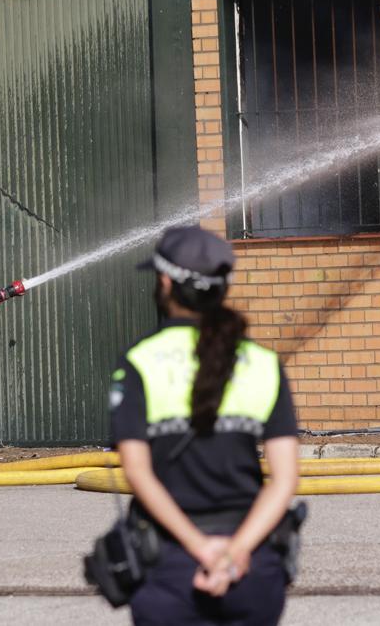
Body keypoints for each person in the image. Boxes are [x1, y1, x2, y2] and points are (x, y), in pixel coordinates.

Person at [110, 225, 300, 625]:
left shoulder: (139, 363)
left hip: (171, 568)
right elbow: (284, 481)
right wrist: (233, 554)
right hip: (253, 569)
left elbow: (138, 473)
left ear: (164, 282)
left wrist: (200, 549)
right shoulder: (264, 364)